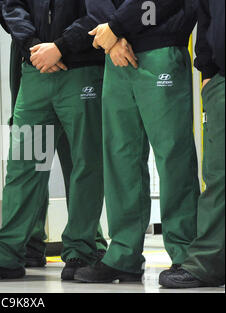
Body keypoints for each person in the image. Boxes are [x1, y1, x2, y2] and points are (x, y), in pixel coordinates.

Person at [0, 0, 107, 281]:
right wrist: (33, 45)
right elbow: (10, 6)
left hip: (82, 67)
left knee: (85, 164)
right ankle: (7, 253)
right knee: (23, 165)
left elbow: (100, 10)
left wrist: (62, 46)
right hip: (34, 67)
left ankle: (81, 250)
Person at [75, 0, 200, 283]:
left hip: (161, 46)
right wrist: (112, 37)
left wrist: (117, 27)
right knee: (120, 157)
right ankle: (123, 254)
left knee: (172, 155)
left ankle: (186, 254)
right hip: (115, 53)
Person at [159, 0, 225, 289]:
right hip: (221, 78)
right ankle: (208, 263)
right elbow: (206, 15)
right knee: (218, 174)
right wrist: (208, 71)